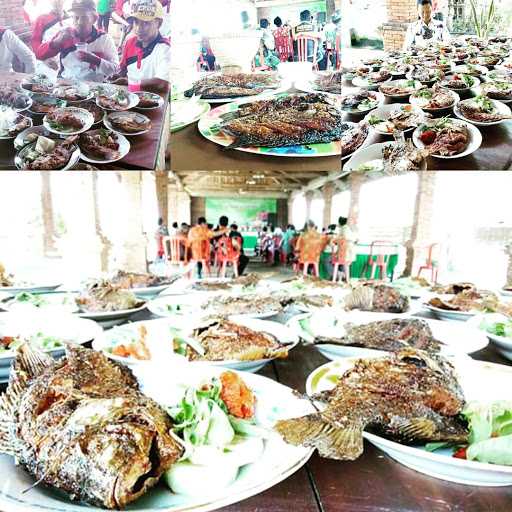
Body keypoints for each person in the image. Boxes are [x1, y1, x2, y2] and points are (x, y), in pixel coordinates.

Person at [35, 0, 119, 81]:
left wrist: (96, 60)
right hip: (66, 84)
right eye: (76, 17)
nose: (79, 22)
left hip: (93, 86)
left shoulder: (104, 39)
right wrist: (56, 42)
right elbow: (39, 55)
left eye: (84, 17)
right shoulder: (64, 34)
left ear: (94, 19)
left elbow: (115, 69)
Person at [113, 0, 170, 93]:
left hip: (152, 103)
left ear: (159, 24)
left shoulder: (165, 49)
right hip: (129, 99)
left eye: (146, 23)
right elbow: (123, 70)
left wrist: (131, 84)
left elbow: (163, 84)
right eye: (136, 22)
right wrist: (117, 76)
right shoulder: (130, 43)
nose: (139, 28)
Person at [31, 0, 69, 78]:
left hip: (67, 64)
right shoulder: (42, 19)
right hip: (48, 61)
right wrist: (43, 60)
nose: (57, 2)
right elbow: (35, 43)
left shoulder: (72, 19)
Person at [332, 216, 357, 281]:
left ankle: (337, 278)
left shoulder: (342, 229)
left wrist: (335, 240)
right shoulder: (348, 229)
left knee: (335, 260)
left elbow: (336, 240)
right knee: (346, 264)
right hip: (350, 252)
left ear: (339, 223)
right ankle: (347, 279)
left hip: (344, 252)